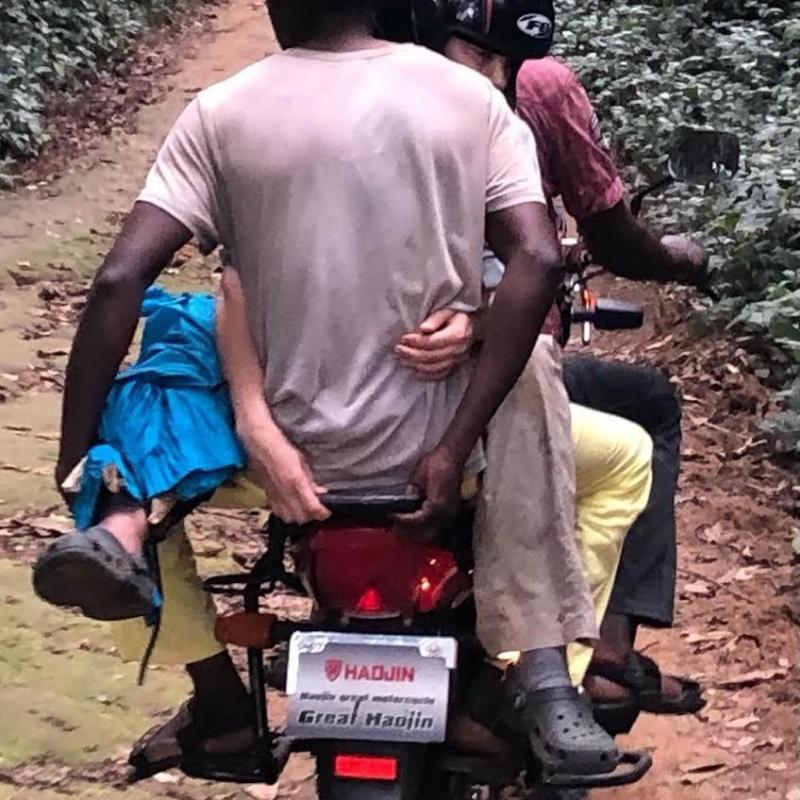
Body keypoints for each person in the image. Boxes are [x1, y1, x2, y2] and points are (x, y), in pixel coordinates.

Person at [32, 0, 618, 780]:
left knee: (129, 443)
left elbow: (118, 284)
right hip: (437, 453)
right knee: (599, 437)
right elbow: (537, 263)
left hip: (281, 461)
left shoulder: (221, 112)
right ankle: (548, 675)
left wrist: (77, 462)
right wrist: (449, 442)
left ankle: (209, 684)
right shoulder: (467, 100)